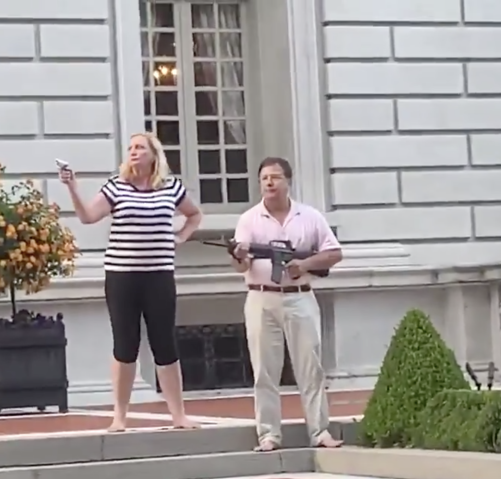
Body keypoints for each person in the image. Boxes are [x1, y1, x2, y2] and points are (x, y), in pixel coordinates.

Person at [59, 132, 203, 432]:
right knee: (126, 345)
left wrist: (181, 236)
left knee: (165, 344)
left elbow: (194, 214)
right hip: (122, 276)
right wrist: (73, 187)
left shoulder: (171, 187)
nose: (134, 152)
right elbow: (87, 217)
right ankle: (120, 416)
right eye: (130, 148)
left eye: (140, 147)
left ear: (154, 154)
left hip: (159, 275)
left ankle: (178, 414)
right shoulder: (116, 186)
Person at [231, 157, 344, 451]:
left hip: (300, 296)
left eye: (275, 177)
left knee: (311, 367)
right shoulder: (249, 219)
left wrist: (303, 263)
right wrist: (239, 255)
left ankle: (320, 431)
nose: (269, 183)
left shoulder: (310, 217)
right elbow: (240, 267)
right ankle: (268, 434)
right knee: (264, 370)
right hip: (261, 297)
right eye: (264, 178)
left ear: (288, 181)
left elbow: (333, 253)